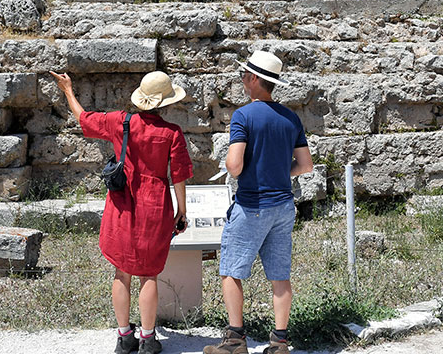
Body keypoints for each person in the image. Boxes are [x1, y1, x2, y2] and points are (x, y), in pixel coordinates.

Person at [50, 69, 193, 354]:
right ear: (166, 103)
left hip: (122, 203)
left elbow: (83, 119)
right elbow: (178, 175)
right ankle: (148, 340)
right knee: (148, 275)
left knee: (122, 271)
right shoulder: (171, 133)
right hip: (155, 207)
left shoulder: (120, 122)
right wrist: (181, 211)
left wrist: (68, 89)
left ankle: (124, 337)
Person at [204, 51, 314, 354]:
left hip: (252, 205)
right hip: (283, 206)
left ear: (253, 79)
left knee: (231, 270)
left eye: (243, 75)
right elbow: (306, 166)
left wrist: (231, 160)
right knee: (280, 276)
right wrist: (281, 173)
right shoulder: (291, 117)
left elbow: (235, 165)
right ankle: (279, 342)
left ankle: (235, 339)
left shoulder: (243, 115)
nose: (241, 80)